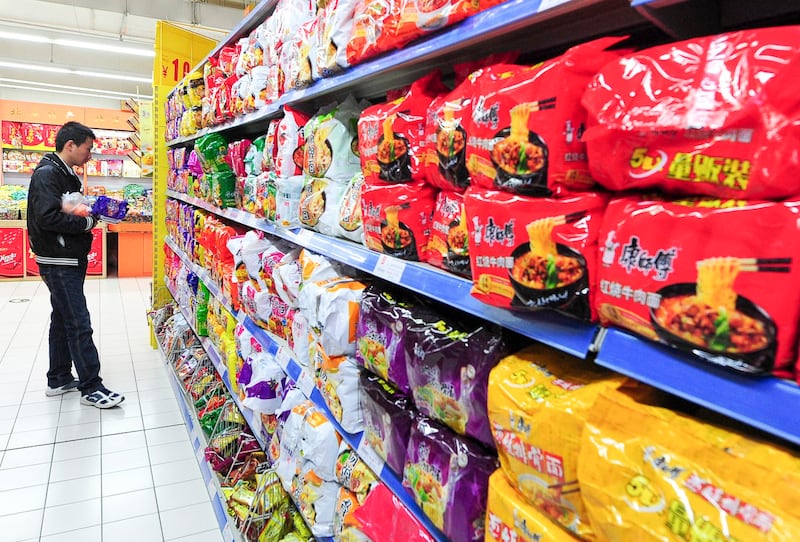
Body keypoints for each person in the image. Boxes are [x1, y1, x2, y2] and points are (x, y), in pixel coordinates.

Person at [27, 121, 125, 409]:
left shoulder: (62, 172)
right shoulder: (48, 174)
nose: (89, 155)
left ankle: (58, 378)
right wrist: (86, 223)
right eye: (87, 148)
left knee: (62, 318)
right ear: (70, 145)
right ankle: (91, 387)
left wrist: (90, 209)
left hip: (66, 256)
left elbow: (65, 207)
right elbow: (47, 217)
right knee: (78, 322)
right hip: (58, 259)